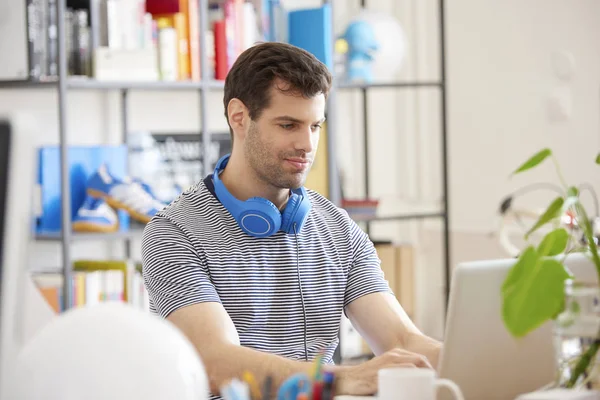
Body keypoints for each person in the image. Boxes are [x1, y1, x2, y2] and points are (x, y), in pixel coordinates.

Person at [141, 41, 442, 398]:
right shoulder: (173, 232)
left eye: (315, 126)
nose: (307, 144)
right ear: (239, 117)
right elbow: (213, 361)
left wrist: (483, 361)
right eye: (288, 125)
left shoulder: (337, 226)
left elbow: (401, 339)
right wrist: (344, 379)